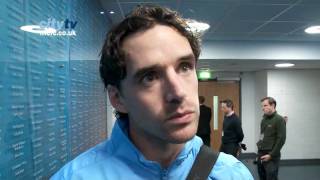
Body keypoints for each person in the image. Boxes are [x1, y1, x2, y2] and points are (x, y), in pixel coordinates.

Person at [51, 5, 253, 179]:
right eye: (150, 77)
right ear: (117, 98)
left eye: (184, 67)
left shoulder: (231, 174)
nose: (178, 92)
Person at [257, 97, 286, 180]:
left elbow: (281, 139)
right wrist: (259, 149)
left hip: (271, 155)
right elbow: (262, 135)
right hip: (261, 153)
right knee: (262, 177)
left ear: (272, 105)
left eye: (265, 105)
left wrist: (271, 155)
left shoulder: (279, 119)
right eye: (262, 106)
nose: (263, 108)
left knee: (271, 177)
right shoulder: (264, 120)